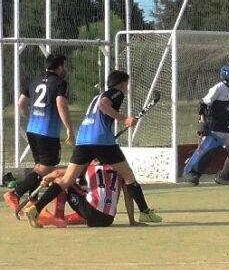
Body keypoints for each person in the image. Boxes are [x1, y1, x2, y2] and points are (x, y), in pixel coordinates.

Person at [22, 70, 162, 227]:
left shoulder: (97, 96)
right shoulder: (116, 92)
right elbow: (104, 106)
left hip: (83, 139)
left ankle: (36, 208)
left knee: (67, 179)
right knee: (128, 176)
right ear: (122, 84)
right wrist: (125, 119)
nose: (126, 89)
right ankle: (145, 212)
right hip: (102, 140)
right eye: (126, 85)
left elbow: (99, 109)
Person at [4, 54, 73, 213]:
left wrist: (31, 117)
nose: (65, 69)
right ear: (60, 66)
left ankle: (32, 202)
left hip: (32, 130)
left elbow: (21, 103)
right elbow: (61, 103)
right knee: (46, 168)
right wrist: (69, 127)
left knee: (39, 166)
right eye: (65, 66)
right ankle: (15, 193)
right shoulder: (60, 83)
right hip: (47, 132)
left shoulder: (34, 80)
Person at [183, 65, 229, 186]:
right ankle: (191, 172)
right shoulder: (218, 88)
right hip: (215, 126)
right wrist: (202, 122)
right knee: (209, 150)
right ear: (225, 76)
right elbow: (203, 104)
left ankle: (224, 176)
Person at [30, 161, 139, 228]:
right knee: (89, 199)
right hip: (108, 219)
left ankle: (58, 217)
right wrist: (132, 221)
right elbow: (128, 197)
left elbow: (57, 173)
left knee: (61, 180)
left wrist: (46, 178)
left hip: (90, 211)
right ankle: (62, 219)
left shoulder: (89, 165)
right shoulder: (122, 169)